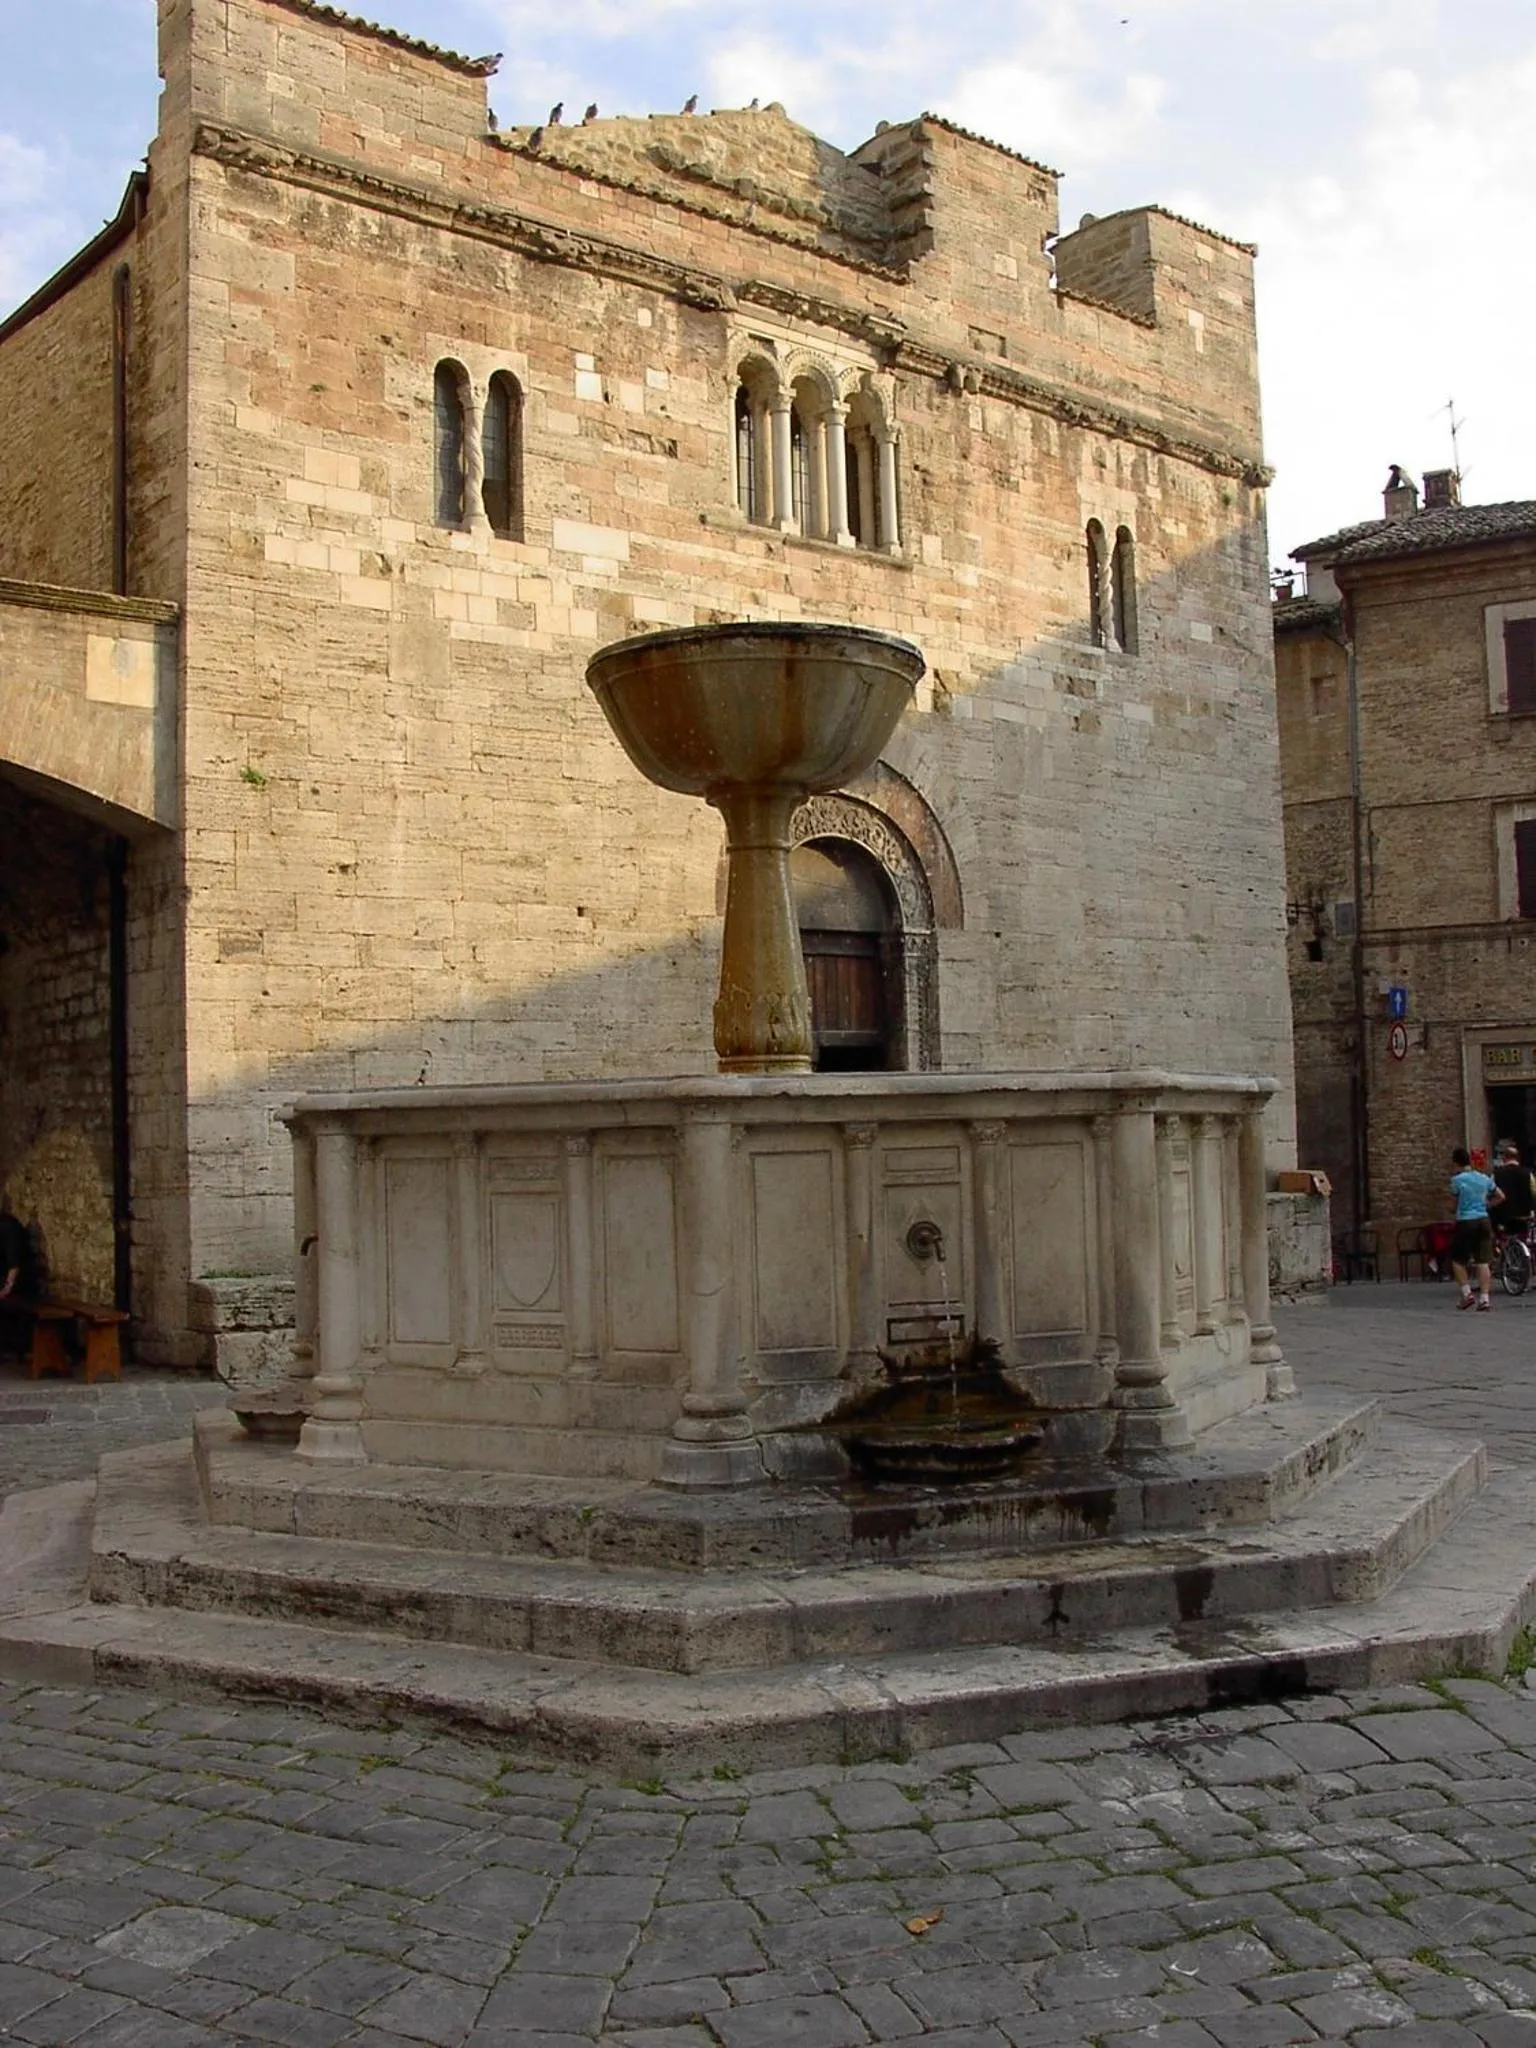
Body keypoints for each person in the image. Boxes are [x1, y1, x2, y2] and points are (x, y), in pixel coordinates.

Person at [1448, 1146, 1501, 1310]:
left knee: (1457, 1260)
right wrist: (1487, 1205)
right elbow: (1501, 1196)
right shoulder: (1484, 1178)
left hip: (1466, 1221)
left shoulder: (1457, 1180)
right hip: (1484, 1219)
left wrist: (1454, 1209)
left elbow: (1454, 1204)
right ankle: (1484, 1299)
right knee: (1483, 1261)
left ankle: (1467, 1294)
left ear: (1456, 1163)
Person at [1493, 1141, 1536, 1241]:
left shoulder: (1496, 1174)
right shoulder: (1528, 1173)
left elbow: (1491, 1193)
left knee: (1503, 1240)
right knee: (1523, 1239)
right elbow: (1534, 1192)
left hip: (1504, 1217)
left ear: (1504, 1158)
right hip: (1524, 1216)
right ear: (1517, 1158)